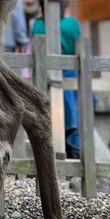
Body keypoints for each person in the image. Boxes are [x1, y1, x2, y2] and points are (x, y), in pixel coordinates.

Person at [30, 10, 84, 159]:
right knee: (71, 106)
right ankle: (73, 146)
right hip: (67, 68)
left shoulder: (38, 24)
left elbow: (34, 46)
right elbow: (77, 44)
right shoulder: (71, 24)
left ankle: (68, 143)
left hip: (46, 69)